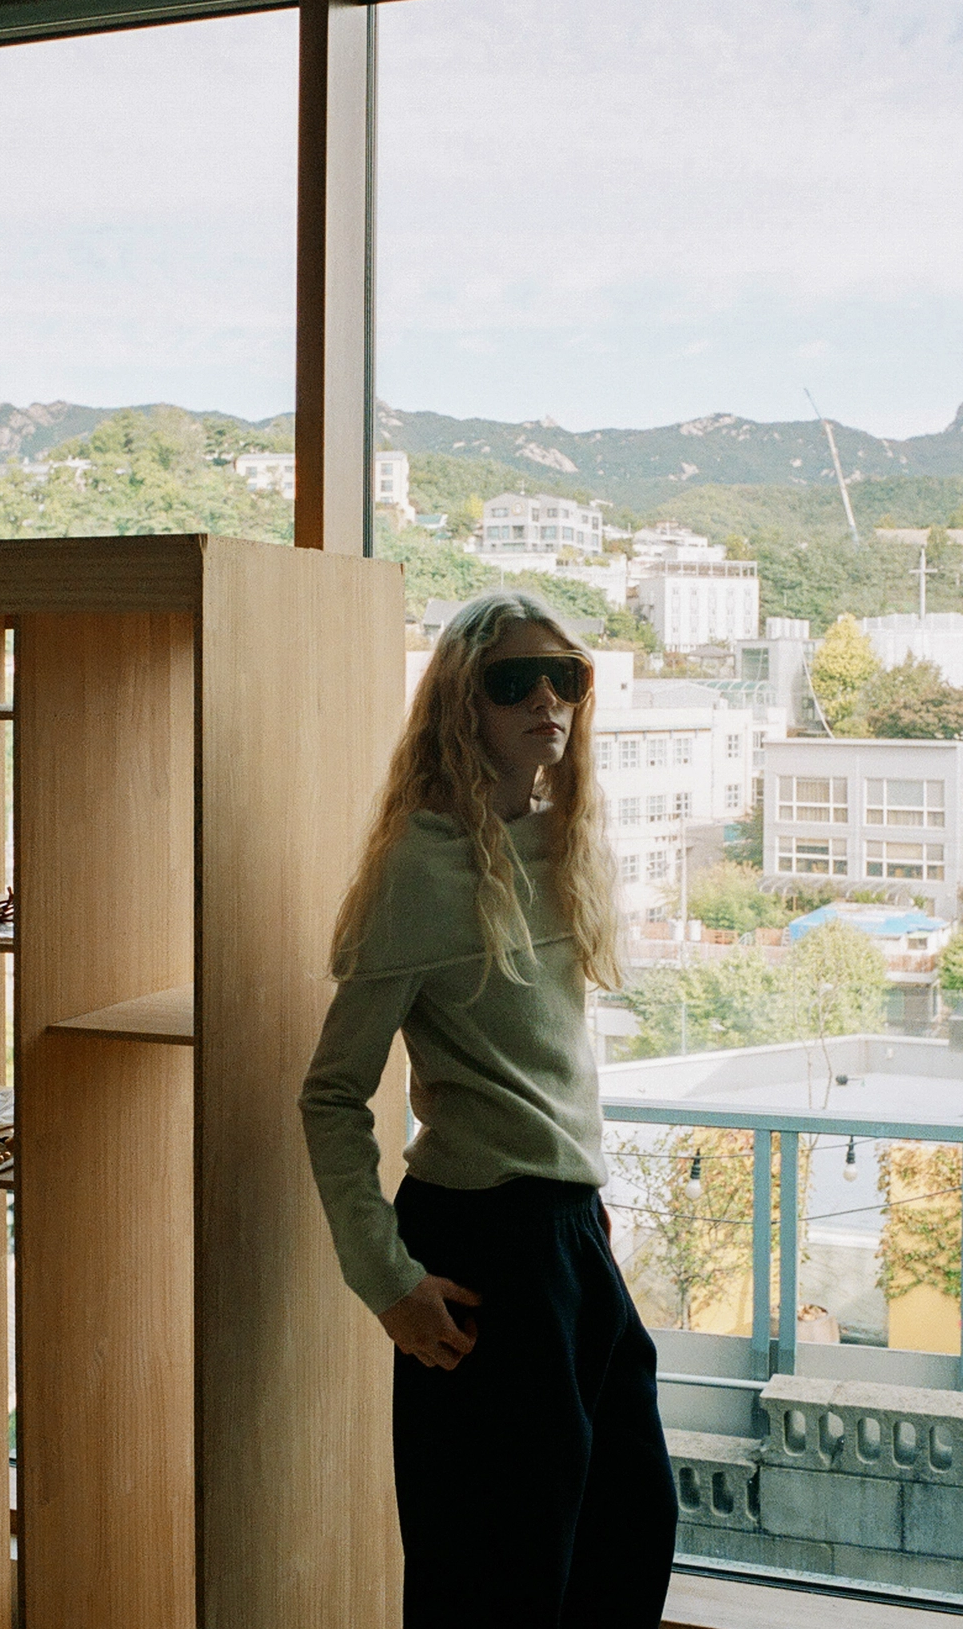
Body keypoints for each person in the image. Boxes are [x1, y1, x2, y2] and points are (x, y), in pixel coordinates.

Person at [299, 591, 677, 1629]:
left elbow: (549, 1054)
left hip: (571, 1232)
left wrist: (581, 1199)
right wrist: (387, 1281)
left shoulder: (566, 843)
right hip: (481, 1247)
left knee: (626, 1533)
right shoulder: (419, 870)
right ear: (462, 703)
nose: (547, 699)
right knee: (498, 1580)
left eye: (567, 677)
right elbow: (331, 1093)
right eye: (514, 681)